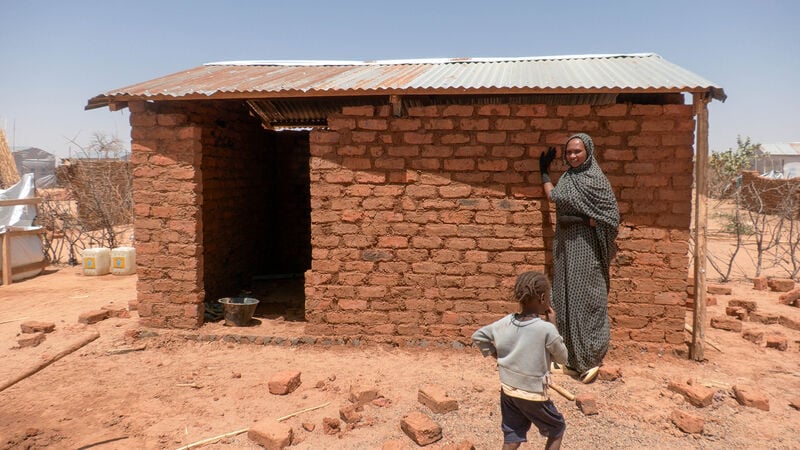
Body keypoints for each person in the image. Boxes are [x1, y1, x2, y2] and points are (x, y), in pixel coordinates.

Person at [539, 133, 620, 384]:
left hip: (587, 251)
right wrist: (543, 171)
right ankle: (571, 360)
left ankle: (591, 358)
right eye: (569, 152)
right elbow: (554, 197)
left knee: (588, 301)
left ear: (589, 152)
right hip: (566, 250)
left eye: (578, 151)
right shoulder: (566, 178)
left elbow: (611, 217)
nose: (573, 156)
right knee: (565, 300)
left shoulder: (596, 180)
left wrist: (583, 220)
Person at [472, 271, 568, 450]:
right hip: (532, 394)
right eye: (548, 297)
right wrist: (554, 325)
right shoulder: (546, 329)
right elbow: (562, 358)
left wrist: (498, 356)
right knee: (557, 427)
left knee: (513, 436)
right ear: (541, 297)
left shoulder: (505, 322)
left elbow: (478, 336)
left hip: (508, 390)